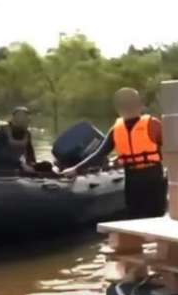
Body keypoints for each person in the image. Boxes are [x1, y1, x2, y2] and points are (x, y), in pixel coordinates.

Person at [62, 87, 166, 219]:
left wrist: (76, 169)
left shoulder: (151, 124)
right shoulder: (119, 128)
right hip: (134, 177)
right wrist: (76, 169)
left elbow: (99, 154)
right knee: (137, 216)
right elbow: (100, 153)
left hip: (151, 176)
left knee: (149, 216)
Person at [0, 107, 38, 172]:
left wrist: (32, 164)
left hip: (18, 166)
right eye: (22, 119)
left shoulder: (26, 134)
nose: (27, 122)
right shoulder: (0, 134)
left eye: (27, 119)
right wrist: (21, 164)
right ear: (14, 120)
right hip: (1, 169)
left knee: (46, 166)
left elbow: (30, 154)